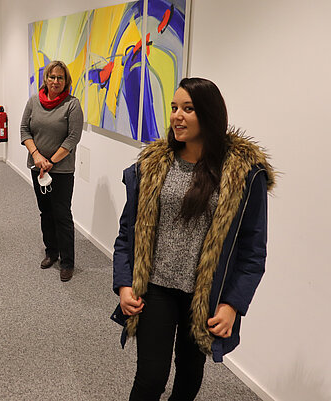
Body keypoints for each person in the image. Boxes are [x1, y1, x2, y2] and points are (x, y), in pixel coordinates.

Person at [112, 77, 275, 400]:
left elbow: (252, 251)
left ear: (209, 114)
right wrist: (124, 283)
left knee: (189, 373)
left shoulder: (243, 173)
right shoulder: (152, 165)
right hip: (155, 287)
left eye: (188, 109)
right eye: (174, 107)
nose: (177, 116)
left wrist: (232, 304)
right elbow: (127, 231)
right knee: (150, 378)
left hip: (204, 295)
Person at [20, 60, 84, 282]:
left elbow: (73, 138)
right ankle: (51, 252)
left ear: (66, 81)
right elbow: (24, 130)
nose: (56, 81)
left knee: (62, 214)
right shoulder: (33, 101)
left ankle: (67, 262)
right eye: (52, 77)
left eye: (60, 78)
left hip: (61, 170)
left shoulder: (72, 105)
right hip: (38, 168)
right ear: (46, 79)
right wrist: (37, 156)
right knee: (45, 211)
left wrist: (51, 162)